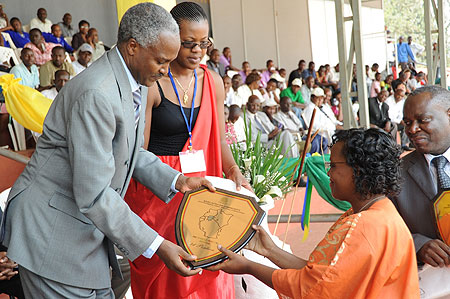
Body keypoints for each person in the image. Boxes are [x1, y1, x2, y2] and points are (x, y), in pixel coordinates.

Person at [1, 3, 213, 297]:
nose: (166, 70)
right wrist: (157, 245)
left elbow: (130, 151)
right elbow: (95, 194)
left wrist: (178, 181)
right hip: (52, 235)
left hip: (81, 232)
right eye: (161, 61)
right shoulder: (97, 94)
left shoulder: (132, 79)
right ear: (132, 47)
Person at [123, 3, 248, 298]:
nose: (197, 51)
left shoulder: (212, 80)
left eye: (203, 44)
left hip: (203, 188)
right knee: (172, 278)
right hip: (160, 190)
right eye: (188, 43)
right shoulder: (153, 83)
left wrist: (234, 172)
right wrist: (170, 182)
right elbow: (139, 152)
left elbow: (220, 140)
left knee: (210, 274)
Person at [209, 128, 420, 299]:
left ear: (360, 171)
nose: (328, 173)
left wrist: (248, 266)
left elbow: (313, 288)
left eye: (333, 165)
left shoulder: (365, 225)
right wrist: (269, 250)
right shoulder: (374, 213)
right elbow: (322, 273)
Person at [392, 85, 450, 268]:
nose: (413, 130)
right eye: (407, 123)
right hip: (426, 286)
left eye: (423, 120)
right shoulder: (395, 174)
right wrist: (417, 244)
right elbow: (383, 230)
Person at [385, 83, 410, 150]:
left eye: (401, 96)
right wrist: (399, 121)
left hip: (397, 120)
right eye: (398, 95)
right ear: (395, 93)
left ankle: (404, 144)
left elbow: (401, 113)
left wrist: (401, 121)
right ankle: (393, 145)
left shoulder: (402, 102)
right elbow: (389, 115)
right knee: (394, 126)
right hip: (388, 121)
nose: (399, 97)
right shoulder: (388, 101)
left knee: (407, 124)